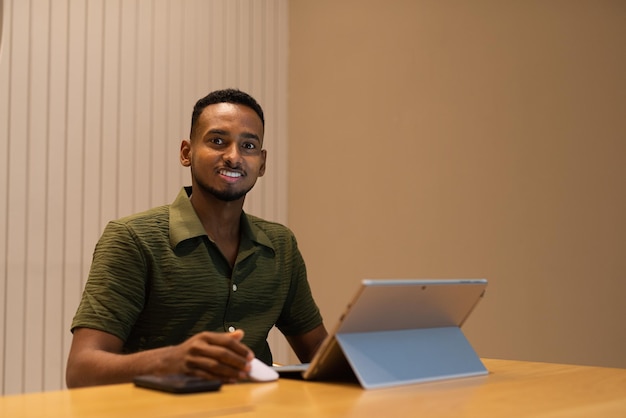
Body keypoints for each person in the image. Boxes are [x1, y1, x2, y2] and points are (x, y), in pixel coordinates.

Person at [66, 89, 328, 388]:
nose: (233, 156)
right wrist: (172, 360)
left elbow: (320, 355)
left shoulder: (281, 245)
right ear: (186, 152)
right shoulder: (132, 239)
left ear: (262, 162)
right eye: (218, 141)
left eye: (248, 145)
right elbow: (81, 370)